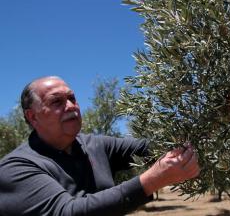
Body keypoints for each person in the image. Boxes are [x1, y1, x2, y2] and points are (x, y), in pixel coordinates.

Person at [0, 76, 200, 216]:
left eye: (72, 98)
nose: (71, 106)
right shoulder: (16, 168)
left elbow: (149, 147)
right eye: (57, 102)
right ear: (32, 116)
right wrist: (152, 181)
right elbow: (67, 212)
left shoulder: (94, 145)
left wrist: (211, 124)